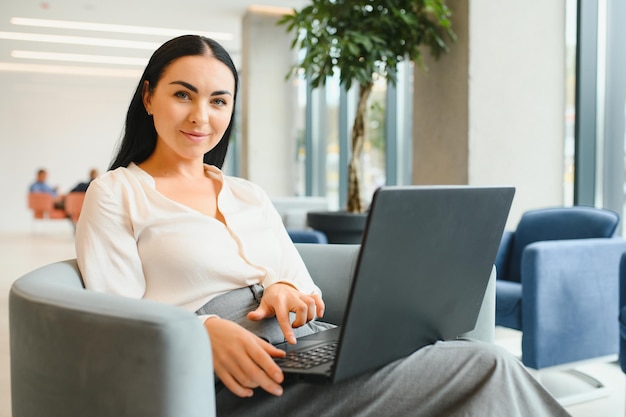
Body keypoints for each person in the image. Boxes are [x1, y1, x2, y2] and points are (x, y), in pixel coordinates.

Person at [75, 35, 570, 416]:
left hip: (307, 349)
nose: (201, 116)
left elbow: (302, 283)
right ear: (148, 97)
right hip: (236, 378)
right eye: (184, 95)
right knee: (485, 364)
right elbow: (113, 317)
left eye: (219, 101)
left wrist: (288, 291)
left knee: (458, 358)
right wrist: (200, 331)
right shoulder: (117, 193)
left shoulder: (247, 194)